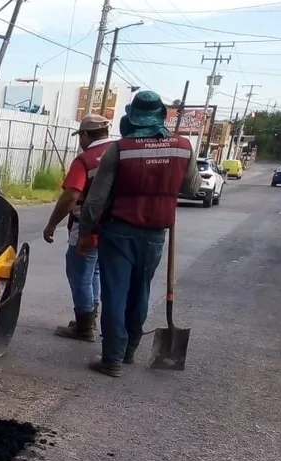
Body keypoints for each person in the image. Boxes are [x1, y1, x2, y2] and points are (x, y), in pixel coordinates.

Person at [76, 91, 198, 377]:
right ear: (160, 116)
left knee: (115, 294)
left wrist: (85, 232)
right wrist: (164, 187)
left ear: (132, 117)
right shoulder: (183, 147)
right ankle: (129, 351)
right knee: (140, 291)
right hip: (155, 233)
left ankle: (112, 358)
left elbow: (96, 199)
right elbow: (192, 188)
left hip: (119, 230)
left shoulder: (120, 149)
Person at [42, 113, 116, 341]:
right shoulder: (119, 152)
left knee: (79, 273)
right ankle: (89, 316)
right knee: (94, 271)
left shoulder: (86, 159)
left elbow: (71, 196)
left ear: (85, 134)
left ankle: (84, 326)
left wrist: (51, 224)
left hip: (87, 227)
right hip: (114, 227)